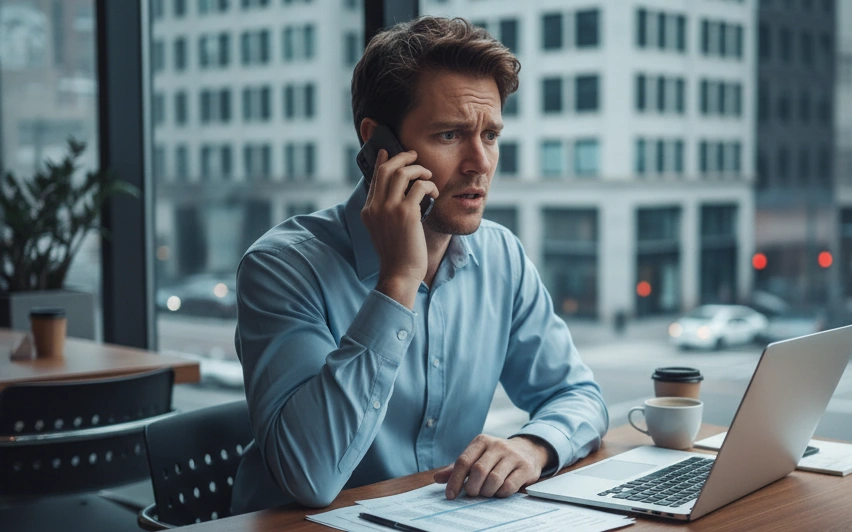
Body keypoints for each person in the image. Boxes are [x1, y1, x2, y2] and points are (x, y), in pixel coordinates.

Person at [231, 17, 608, 513]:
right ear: (378, 144)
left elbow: (578, 394)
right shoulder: (282, 268)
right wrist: (397, 282)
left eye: (490, 135)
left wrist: (533, 446)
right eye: (450, 134)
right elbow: (310, 478)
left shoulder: (502, 257)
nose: (480, 163)